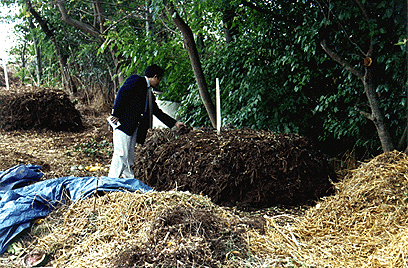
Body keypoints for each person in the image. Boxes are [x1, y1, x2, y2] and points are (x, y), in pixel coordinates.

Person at [108, 64, 185, 178]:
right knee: (121, 155)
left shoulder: (149, 92)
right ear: (155, 77)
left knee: (129, 156)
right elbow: (121, 94)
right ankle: (111, 181)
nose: (159, 82)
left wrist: (174, 123)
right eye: (159, 79)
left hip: (133, 128)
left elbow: (157, 112)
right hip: (123, 125)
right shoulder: (136, 80)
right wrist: (116, 113)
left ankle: (129, 181)